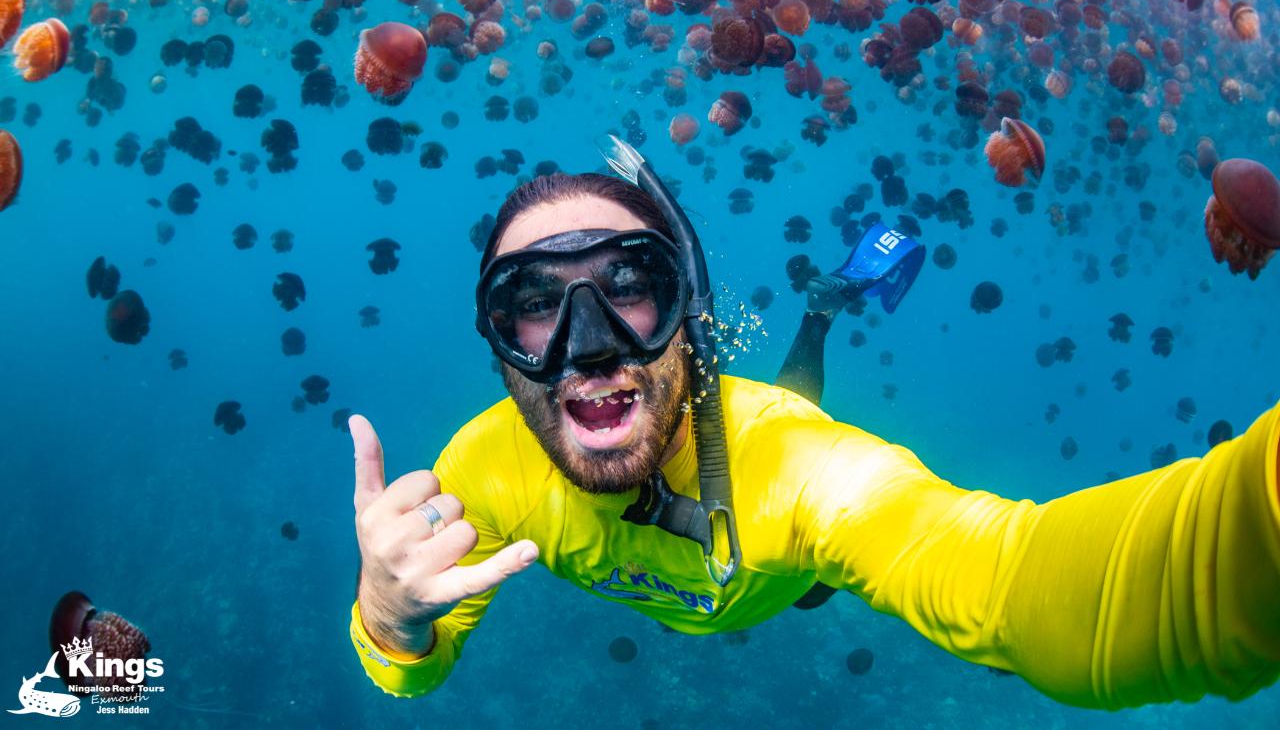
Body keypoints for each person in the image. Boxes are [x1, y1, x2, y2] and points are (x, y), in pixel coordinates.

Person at [348, 141, 1280, 709]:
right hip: (729, 558)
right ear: (499, 343)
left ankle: (824, 308)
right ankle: (820, 305)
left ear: (687, 312)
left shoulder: (794, 464)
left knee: (794, 426)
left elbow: (1010, 578)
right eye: (536, 304)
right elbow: (410, 673)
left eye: (630, 285)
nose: (587, 348)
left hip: (779, 559)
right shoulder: (483, 469)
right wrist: (389, 616)